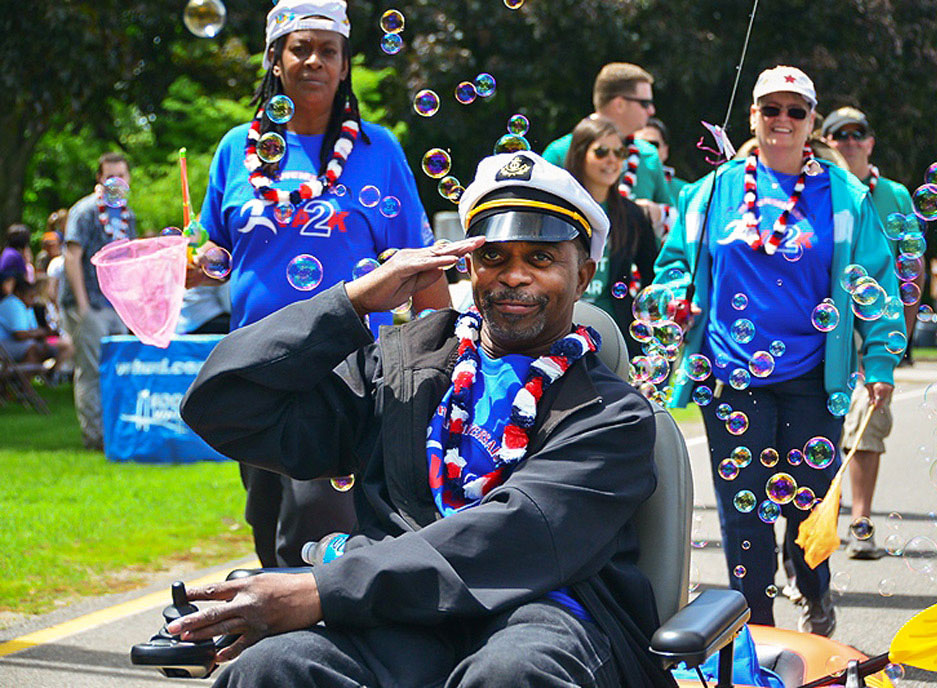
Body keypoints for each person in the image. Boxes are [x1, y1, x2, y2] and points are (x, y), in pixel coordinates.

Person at [175, 151, 670, 688]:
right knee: (270, 669)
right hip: (404, 616)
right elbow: (221, 407)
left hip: (546, 612)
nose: (514, 276)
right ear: (469, 267)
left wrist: (318, 592)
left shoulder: (612, 413)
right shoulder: (405, 363)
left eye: (542, 258)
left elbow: (514, 536)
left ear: (583, 277)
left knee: (508, 676)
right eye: (495, 257)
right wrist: (353, 302)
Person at [190, 0, 451, 568]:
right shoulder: (237, 148)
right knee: (268, 515)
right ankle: (272, 639)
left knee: (320, 521)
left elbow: (419, 259)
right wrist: (192, 259)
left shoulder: (377, 150)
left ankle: (320, 639)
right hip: (257, 365)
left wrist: (446, 354)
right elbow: (214, 247)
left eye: (327, 50)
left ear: (344, 64)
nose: (313, 61)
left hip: (346, 369)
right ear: (275, 61)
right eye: (299, 48)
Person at [654, 66, 900, 636]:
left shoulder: (844, 196)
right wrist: (673, 299)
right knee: (744, 515)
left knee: (807, 507)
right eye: (771, 110)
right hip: (732, 375)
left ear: (812, 122)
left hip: (813, 377)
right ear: (753, 117)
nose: (781, 121)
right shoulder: (711, 191)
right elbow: (673, 268)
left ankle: (814, 591)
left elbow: (878, 281)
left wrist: (882, 360)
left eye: (795, 111)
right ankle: (757, 633)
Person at [821, 106, 919, 560]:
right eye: (838, 135)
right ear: (825, 142)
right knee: (826, 428)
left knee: (867, 425)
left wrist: (896, 338)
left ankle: (860, 520)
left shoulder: (893, 195)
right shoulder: (824, 191)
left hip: (876, 323)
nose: (849, 141)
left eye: (858, 133)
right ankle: (824, 519)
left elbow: (909, 268)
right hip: (829, 322)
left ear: (871, 142)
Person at [60, 151, 136, 451]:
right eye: (109, 176)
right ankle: (95, 438)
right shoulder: (86, 210)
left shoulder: (127, 215)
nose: (115, 181)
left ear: (128, 179)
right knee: (91, 370)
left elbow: (127, 258)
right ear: (99, 179)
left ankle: (115, 432)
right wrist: (82, 306)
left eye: (121, 175)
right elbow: (72, 256)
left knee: (118, 368)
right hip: (88, 303)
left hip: (115, 304)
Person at [542, 63, 676, 232]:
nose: (651, 111)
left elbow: (674, 223)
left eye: (619, 153)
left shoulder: (648, 155)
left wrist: (658, 213)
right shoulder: (560, 153)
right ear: (619, 104)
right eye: (645, 103)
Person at [565, 115, 658, 357]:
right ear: (579, 154)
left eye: (619, 153)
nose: (612, 160)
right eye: (602, 152)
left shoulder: (631, 214)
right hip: (562, 324)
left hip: (613, 330)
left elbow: (652, 272)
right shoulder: (560, 209)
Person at [0, 278, 72, 367]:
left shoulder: (27, 306)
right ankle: (17, 379)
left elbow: (33, 330)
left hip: (17, 343)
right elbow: (20, 335)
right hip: (4, 344)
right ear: (19, 294)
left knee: (64, 346)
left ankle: (52, 374)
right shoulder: (13, 303)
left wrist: (42, 333)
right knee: (34, 349)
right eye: (30, 297)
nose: (32, 300)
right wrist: (41, 332)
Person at [635, 116, 688, 205]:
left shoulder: (685, 191)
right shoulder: (618, 184)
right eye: (639, 144)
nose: (646, 149)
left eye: (653, 144)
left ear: (665, 151)